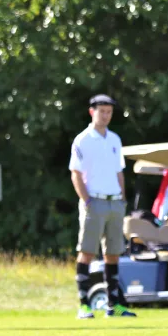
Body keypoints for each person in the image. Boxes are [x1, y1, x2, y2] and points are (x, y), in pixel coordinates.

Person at [69, 94, 136, 319]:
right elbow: (75, 173)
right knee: (87, 252)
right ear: (92, 112)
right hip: (93, 201)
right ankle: (84, 304)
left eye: (109, 112)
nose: (106, 115)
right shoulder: (82, 139)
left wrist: (122, 199)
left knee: (113, 254)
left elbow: (119, 172)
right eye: (102, 111)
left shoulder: (115, 139)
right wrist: (86, 200)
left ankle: (113, 304)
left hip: (115, 202)